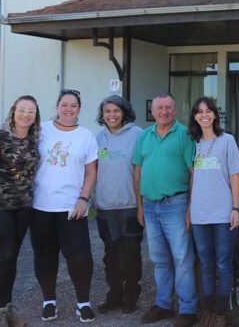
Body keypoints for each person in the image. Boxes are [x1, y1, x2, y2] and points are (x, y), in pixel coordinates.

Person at [30, 89, 98, 323]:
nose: (69, 109)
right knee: (45, 256)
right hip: (41, 206)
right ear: (57, 106)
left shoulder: (86, 136)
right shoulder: (41, 131)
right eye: (64, 104)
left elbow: (91, 172)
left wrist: (84, 198)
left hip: (72, 207)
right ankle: (49, 301)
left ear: (79, 109)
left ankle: (83, 303)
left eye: (74, 105)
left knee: (80, 257)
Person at [133, 92, 198, 327]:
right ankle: (163, 305)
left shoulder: (185, 136)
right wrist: (140, 206)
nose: (163, 112)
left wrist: (191, 208)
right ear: (152, 111)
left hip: (176, 204)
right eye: (159, 108)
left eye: (168, 108)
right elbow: (138, 172)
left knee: (182, 258)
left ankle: (188, 309)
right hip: (150, 206)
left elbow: (194, 174)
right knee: (159, 258)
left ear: (175, 109)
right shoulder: (144, 136)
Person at [0, 95, 41, 327]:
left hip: (23, 208)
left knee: (11, 258)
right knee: (5, 256)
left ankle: (8, 309)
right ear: (13, 112)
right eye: (22, 110)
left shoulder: (35, 139)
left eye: (31, 111)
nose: (26, 115)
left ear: (36, 116)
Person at [188, 97, 239, 327]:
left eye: (208, 111)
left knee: (223, 264)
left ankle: (220, 314)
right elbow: (192, 179)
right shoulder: (193, 143)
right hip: (200, 215)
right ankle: (207, 312)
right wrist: (190, 210)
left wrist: (235, 208)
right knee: (206, 265)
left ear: (214, 115)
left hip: (223, 214)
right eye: (200, 112)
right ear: (194, 116)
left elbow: (235, 176)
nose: (204, 115)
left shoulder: (227, 140)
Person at [93, 95, 144, 314]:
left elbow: (142, 169)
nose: (111, 115)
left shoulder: (138, 135)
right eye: (107, 111)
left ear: (124, 112)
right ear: (102, 115)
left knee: (131, 252)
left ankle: (131, 295)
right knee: (111, 254)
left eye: (116, 111)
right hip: (105, 207)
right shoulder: (97, 139)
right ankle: (114, 295)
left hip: (130, 205)